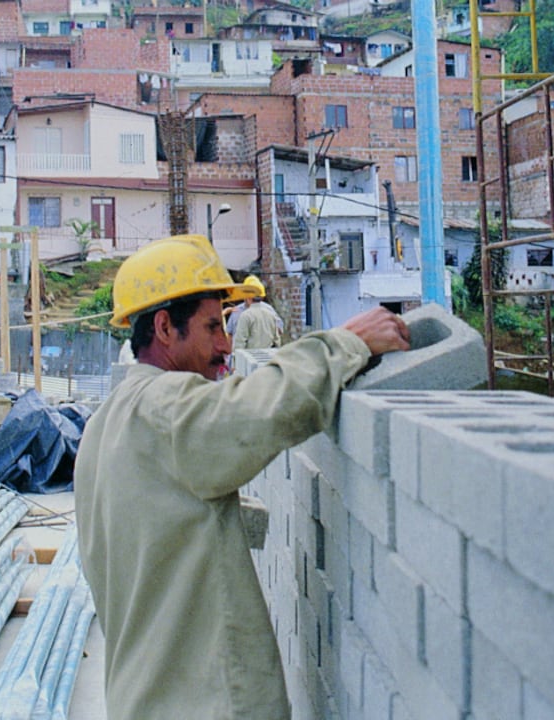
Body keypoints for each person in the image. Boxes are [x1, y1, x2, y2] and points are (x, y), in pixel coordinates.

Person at [74, 234, 410, 720]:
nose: (225, 345)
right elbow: (261, 409)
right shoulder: (166, 409)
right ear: (165, 328)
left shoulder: (106, 425)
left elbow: (164, 520)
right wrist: (347, 344)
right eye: (212, 327)